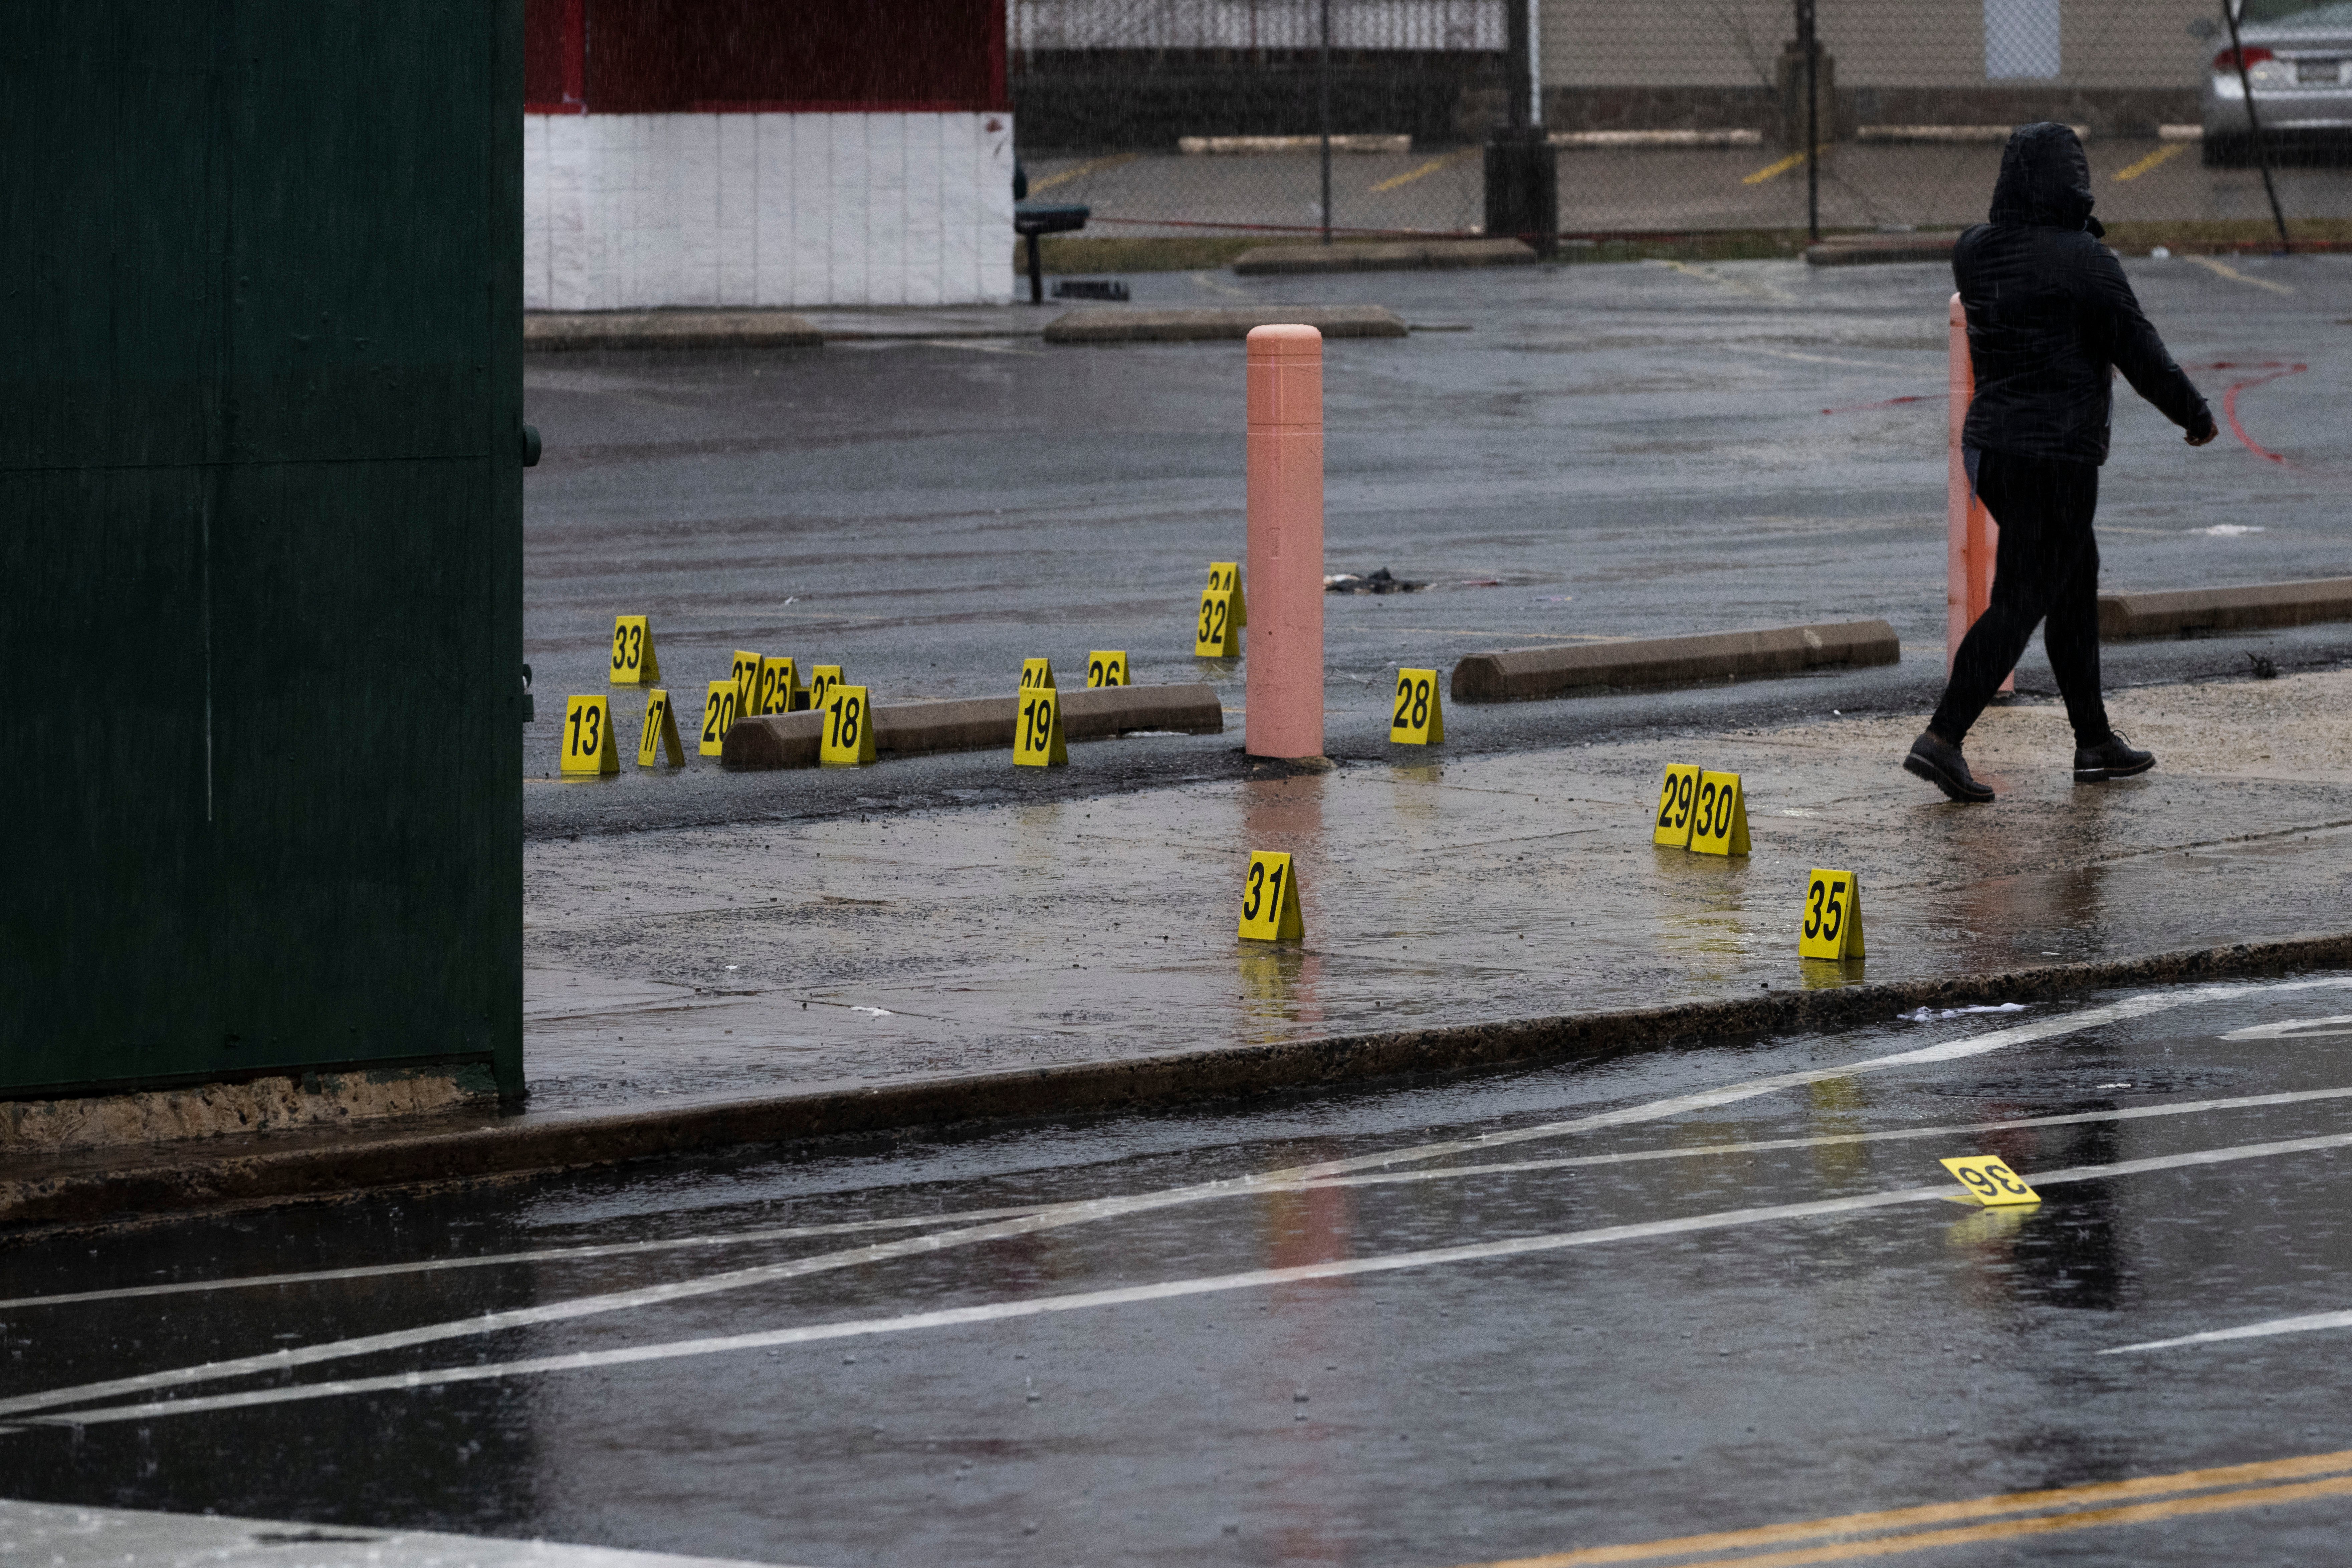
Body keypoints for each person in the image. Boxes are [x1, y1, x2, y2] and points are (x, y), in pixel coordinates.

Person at [1904, 122, 2218, 805]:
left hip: (1990, 452)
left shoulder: (1974, 252)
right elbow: (2140, 351)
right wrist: (2194, 416)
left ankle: (2094, 742)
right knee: (2021, 600)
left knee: (2073, 586)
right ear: (2072, 182)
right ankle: (1942, 737)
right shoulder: (2085, 262)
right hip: (2057, 457)